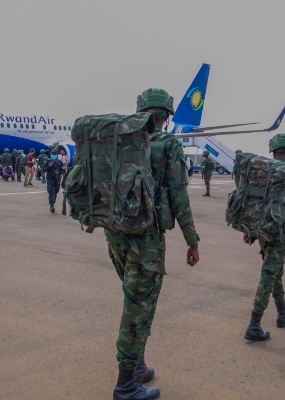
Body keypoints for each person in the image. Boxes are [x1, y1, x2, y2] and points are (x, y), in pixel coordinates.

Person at [105, 88, 199, 400]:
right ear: (165, 116)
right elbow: (178, 194)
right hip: (146, 239)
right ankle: (126, 385)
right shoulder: (167, 143)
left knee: (134, 302)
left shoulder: (120, 140)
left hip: (116, 235)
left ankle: (139, 366)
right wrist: (191, 239)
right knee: (138, 309)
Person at [241, 133, 285, 342]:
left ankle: (282, 313)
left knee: (275, 270)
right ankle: (254, 325)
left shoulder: (262, 168)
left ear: (273, 150)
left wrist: (248, 229)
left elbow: (251, 198)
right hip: (279, 230)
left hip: (261, 228)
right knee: (269, 274)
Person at [42, 149, 62, 213]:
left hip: (57, 179)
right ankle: (52, 206)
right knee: (51, 192)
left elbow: (63, 170)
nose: (54, 155)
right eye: (53, 154)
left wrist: (58, 172)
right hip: (50, 179)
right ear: (50, 155)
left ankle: (53, 202)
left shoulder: (59, 162)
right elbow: (43, 170)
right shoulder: (47, 162)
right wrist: (49, 166)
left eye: (55, 154)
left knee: (56, 191)